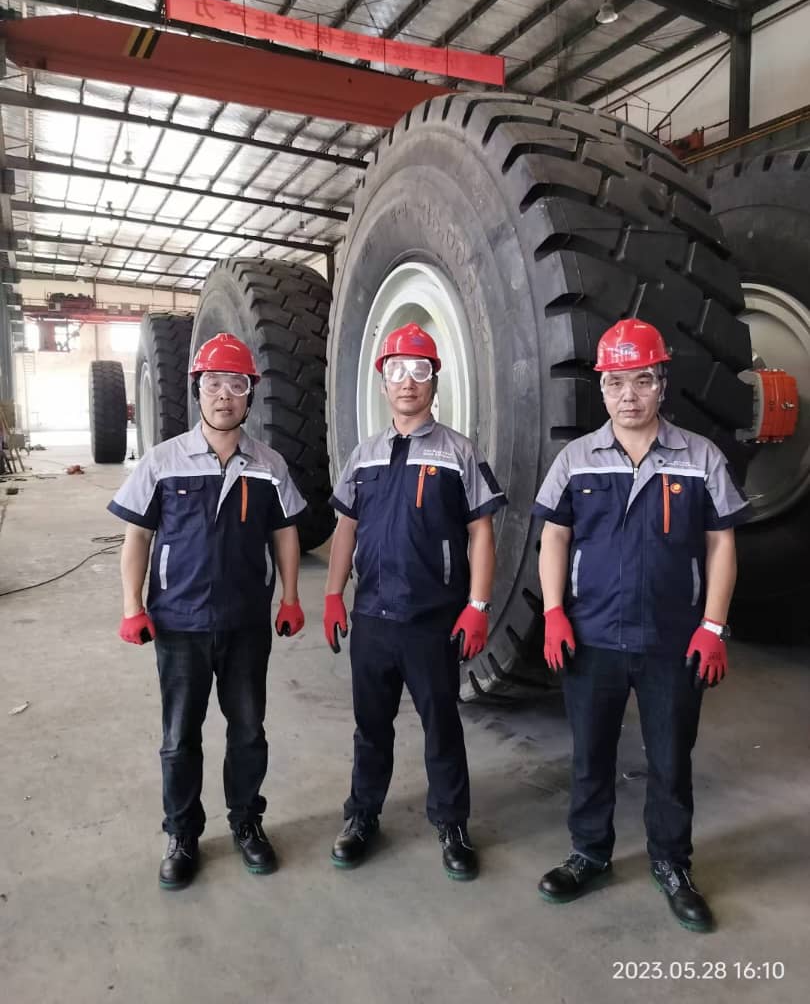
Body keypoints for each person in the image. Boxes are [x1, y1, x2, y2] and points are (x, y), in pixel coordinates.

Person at [533, 318, 750, 932]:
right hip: (592, 636)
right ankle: (589, 853)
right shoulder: (576, 459)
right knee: (590, 756)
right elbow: (554, 537)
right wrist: (553, 613)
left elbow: (721, 545)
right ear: (601, 388)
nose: (629, 395)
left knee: (671, 760)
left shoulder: (699, 458)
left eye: (643, 380)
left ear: (663, 384)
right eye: (617, 382)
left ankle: (672, 864)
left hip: (671, 641)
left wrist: (713, 625)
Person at [108, 333, 307, 890]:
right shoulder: (162, 461)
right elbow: (137, 537)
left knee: (248, 731)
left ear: (251, 395)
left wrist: (291, 597)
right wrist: (131, 607)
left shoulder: (268, 465)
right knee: (179, 736)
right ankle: (182, 834)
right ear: (198, 390)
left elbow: (286, 534)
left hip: (246, 625)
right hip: (178, 625)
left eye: (237, 384)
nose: (225, 395)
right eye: (214, 383)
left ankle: (247, 824)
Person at [324, 323, 507, 881]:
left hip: (432, 620)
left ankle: (451, 823)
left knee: (441, 724)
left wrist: (476, 605)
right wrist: (333, 594)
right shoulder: (365, 455)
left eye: (420, 371)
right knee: (370, 727)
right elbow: (345, 529)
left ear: (435, 382)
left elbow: (481, 533)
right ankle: (362, 817)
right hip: (373, 617)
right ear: (383, 382)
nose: (408, 382)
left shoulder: (458, 452)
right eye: (397, 371)